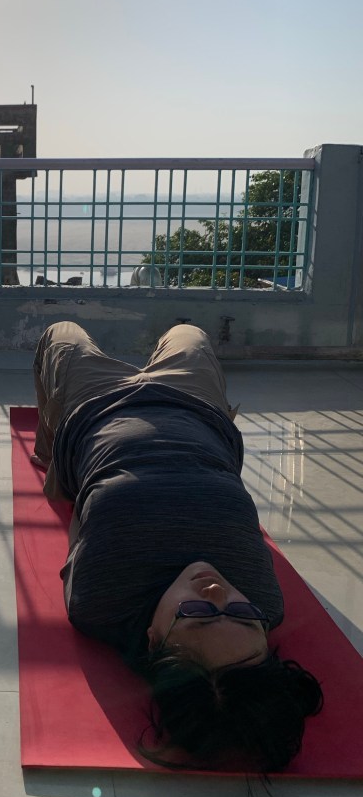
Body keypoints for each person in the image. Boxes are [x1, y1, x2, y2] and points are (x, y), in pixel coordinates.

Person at [32, 320, 323, 773]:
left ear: (152, 641)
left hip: (93, 410)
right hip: (195, 407)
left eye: (198, 616)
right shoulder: (266, 599)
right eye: (242, 616)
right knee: (189, 331)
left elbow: (79, 524)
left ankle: (47, 449)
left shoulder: (99, 603)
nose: (217, 593)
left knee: (61, 332)